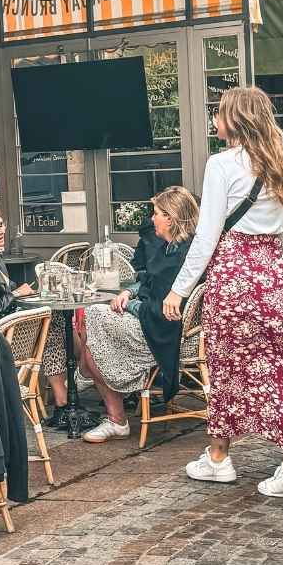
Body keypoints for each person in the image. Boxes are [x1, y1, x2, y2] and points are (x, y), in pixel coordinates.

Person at [163, 86, 283, 502]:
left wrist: (179, 291)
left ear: (234, 120)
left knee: (228, 366)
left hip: (234, 275)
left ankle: (219, 459)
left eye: (219, 114)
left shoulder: (221, 164)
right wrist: (274, 276)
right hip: (272, 275)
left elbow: (207, 236)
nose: (215, 121)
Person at [79, 186, 199, 443]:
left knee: (92, 322)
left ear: (171, 217)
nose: (152, 218)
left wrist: (128, 304)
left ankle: (115, 416)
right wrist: (130, 294)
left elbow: (161, 309)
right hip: (159, 326)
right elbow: (148, 283)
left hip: (165, 334)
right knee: (92, 334)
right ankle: (102, 393)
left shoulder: (179, 257)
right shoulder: (174, 249)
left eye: (156, 213)